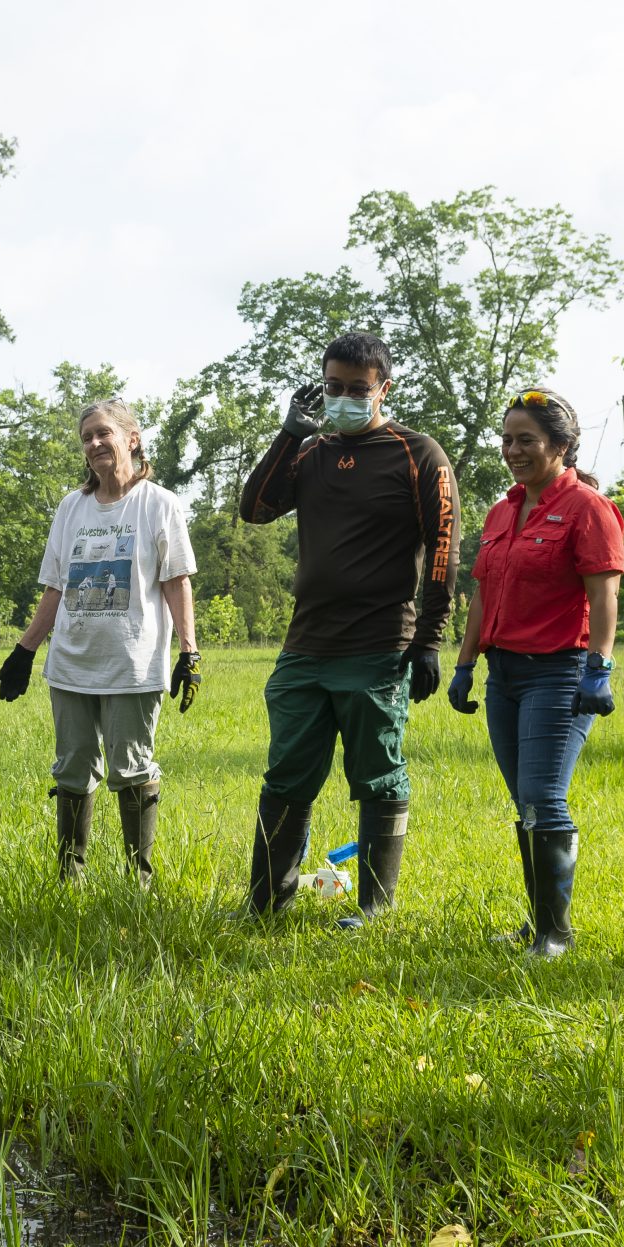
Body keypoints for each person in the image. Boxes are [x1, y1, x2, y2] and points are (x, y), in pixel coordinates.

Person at [239, 331, 458, 922]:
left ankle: (373, 909)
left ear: (383, 389)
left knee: (380, 777)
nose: (342, 398)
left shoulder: (419, 453)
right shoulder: (310, 453)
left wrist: (429, 640)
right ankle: (265, 903)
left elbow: (443, 553)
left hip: (379, 647)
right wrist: (290, 433)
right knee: (286, 774)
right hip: (305, 648)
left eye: (357, 389)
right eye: (333, 387)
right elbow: (254, 508)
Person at [447, 389, 624, 960]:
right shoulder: (502, 512)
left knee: (543, 796)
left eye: (527, 440)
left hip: (559, 672)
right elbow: (482, 593)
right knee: (524, 800)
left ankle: (556, 935)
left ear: (561, 445)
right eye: (507, 440)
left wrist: (599, 666)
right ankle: (537, 922)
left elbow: (605, 592)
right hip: (504, 676)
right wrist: (465, 663)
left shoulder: (588, 509)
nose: (513, 450)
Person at [0, 399, 201, 883]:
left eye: (103, 433)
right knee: (71, 770)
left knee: (131, 770)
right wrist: (25, 649)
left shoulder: (159, 503)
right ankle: (70, 876)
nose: (93, 444)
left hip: (132, 666)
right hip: (71, 664)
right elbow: (56, 587)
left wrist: (190, 651)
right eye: (86, 437)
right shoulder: (72, 507)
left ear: (131, 438)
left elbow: (177, 581)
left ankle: (139, 879)